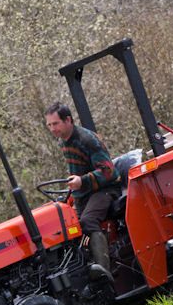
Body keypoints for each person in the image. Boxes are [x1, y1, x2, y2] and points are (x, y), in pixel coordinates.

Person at [45, 102, 121, 281]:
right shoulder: (64, 141)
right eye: (49, 125)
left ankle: (104, 270)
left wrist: (82, 180)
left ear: (68, 120)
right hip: (84, 193)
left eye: (55, 124)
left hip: (105, 189)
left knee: (87, 222)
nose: (52, 128)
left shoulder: (87, 140)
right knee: (69, 229)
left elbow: (108, 171)